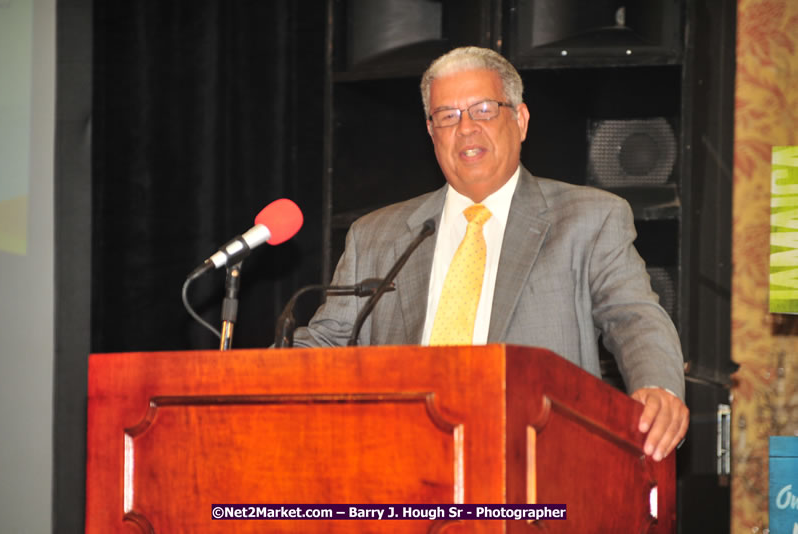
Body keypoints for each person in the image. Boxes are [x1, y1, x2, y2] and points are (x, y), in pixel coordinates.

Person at [293, 46, 688, 461]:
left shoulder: (588, 218)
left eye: (483, 110)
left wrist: (658, 387)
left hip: (536, 462)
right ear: (431, 132)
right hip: (400, 462)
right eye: (448, 116)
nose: (466, 128)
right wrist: (253, 381)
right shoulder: (376, 236)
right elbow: (325, 343)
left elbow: (633, 315)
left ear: (520, 120)